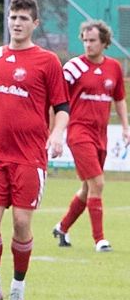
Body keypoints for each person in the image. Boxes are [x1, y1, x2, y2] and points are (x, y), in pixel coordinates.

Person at [0, 0, 69, 300]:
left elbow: (62, 107)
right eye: (13, 16)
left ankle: (17, 290)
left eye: (24, 18)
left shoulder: (47, 61)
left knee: (22, 223)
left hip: (29, 155)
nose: (17, 22)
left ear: (35, 23)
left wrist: (58, 134)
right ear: (7, 20)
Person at [53, 19, 129, 252]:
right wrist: (53, 130)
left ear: (105, 42)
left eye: (93, 40)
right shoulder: (74, 67)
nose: (87, 45)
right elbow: (56, 98)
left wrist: (126, 127)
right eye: (85, 40)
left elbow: (119, 99)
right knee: (98, 182)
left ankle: (62, 228)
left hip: (101, 135)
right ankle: (100, 240)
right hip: (79, 132)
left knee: (88, 189)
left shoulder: (114, 67)